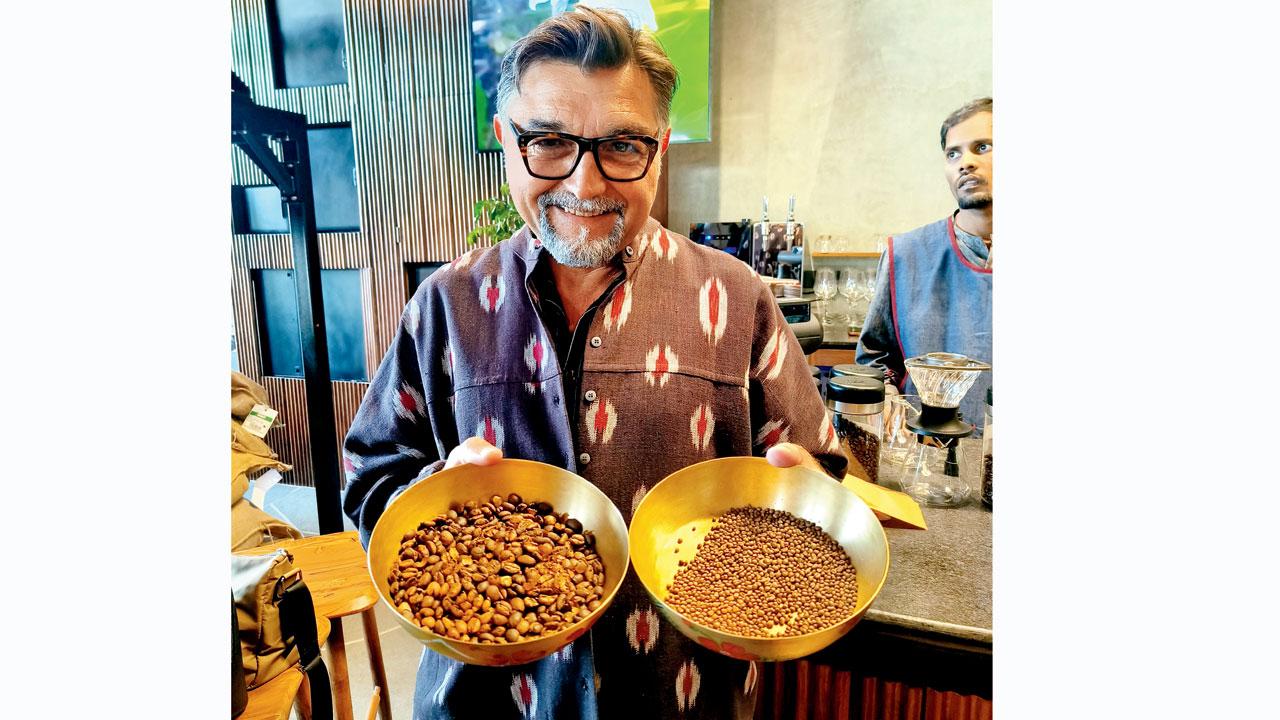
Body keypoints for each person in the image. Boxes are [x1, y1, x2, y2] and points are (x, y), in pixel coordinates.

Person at [341, 8, 846, 719]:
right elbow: (370, 477)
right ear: (504, 142)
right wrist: (432, 499)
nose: (585, 183)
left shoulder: (738, 298)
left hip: (685, 697)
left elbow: (820, 471)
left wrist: (807, 496)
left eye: (623, 145)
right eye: (548, 141)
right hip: (487, 701)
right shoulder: (444, 305)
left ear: (661, 148)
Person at [855, 97, 993, 429]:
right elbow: (875, 360)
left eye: (983, 147)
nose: (965, 163)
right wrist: (885, 393)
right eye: (953, 154)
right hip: (922, 459)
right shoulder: (906, 255)